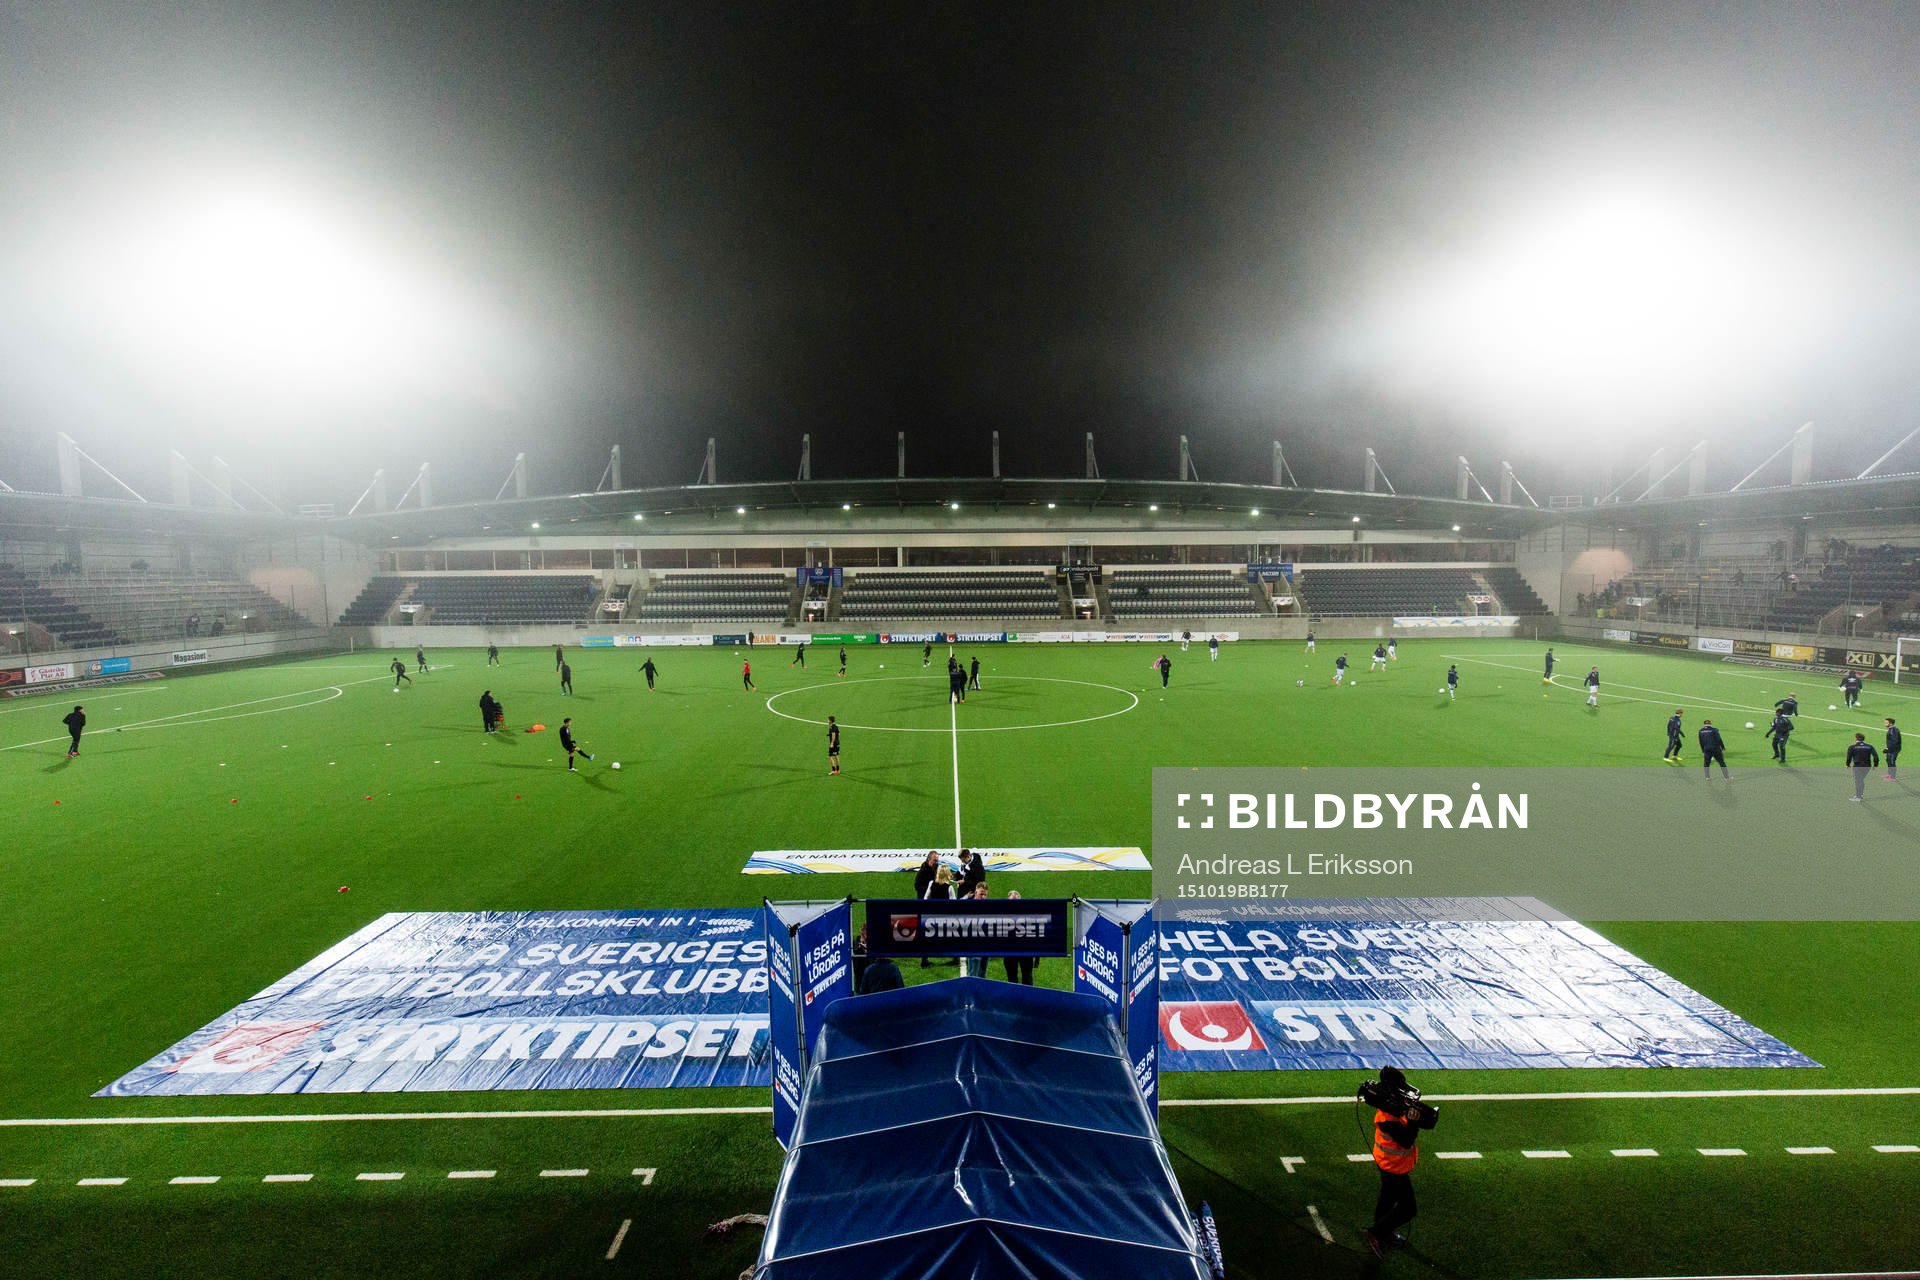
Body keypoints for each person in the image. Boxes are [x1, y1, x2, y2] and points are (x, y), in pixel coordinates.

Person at [1362, 1066, 1436, 1258]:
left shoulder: (1391, 1103)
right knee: (1408, 1208)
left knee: (1387, 1198)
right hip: (1393, 1166)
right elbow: (1405, 1141)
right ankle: (1376, 1233)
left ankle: (1382, 1232)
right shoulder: (1387, 1117)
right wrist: (1412, 1122)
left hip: (1389, 1162)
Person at [1001, 890, 1036, 985]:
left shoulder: (1028, 914)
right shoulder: (1002, 914)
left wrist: (1036, 953)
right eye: (1012, 900)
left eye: (1016, 900)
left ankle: (1028, 998)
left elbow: (1034, 934)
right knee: (1011, 978)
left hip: (1025, 950)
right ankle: (1014, 998)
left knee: (1027, 977)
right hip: (1009, 951)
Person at [1846, 732, 1880, 801]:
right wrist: (1875, 765)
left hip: (1857, 766)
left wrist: (1848, 764)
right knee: (1861, 780)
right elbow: (1876, 756)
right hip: (1867, 767)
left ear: (1856, 739)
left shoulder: (1852, 747)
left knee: (1858, 781)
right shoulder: (1869, 746)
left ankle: (1858, 797)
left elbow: (1849, 757)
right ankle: (1860, 795)